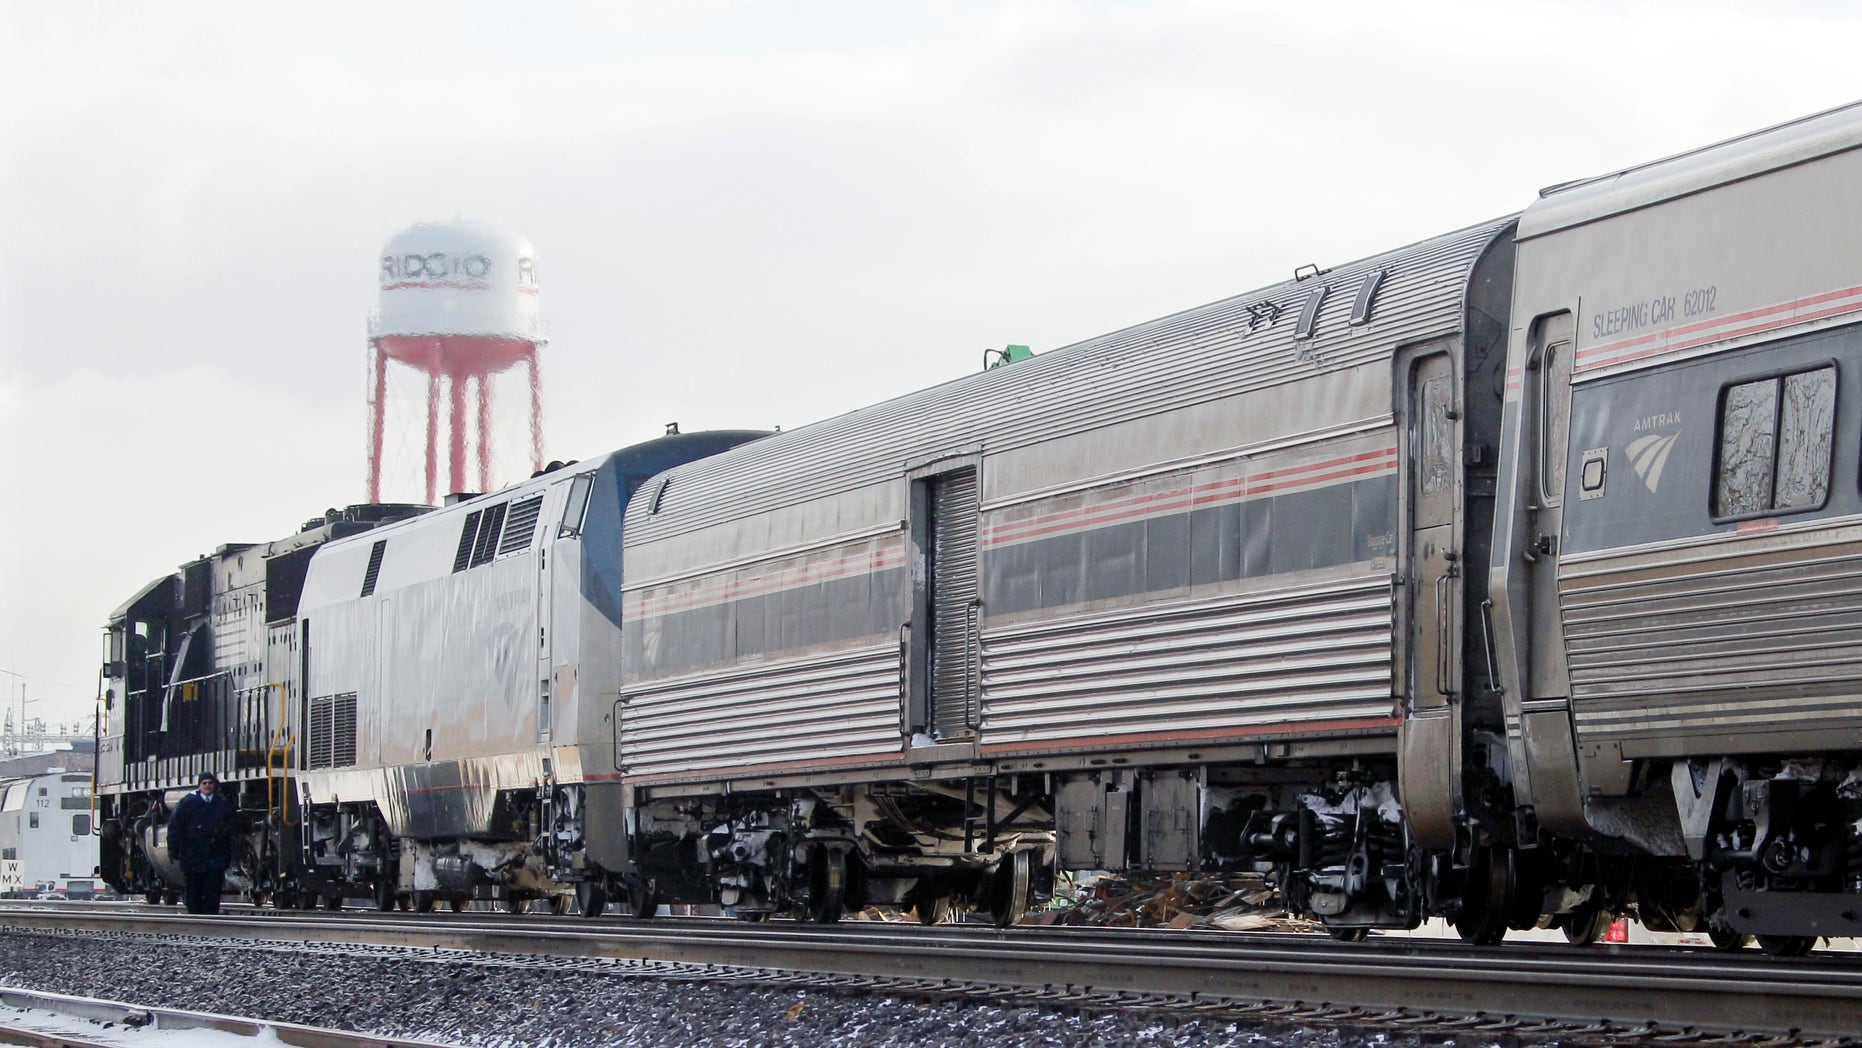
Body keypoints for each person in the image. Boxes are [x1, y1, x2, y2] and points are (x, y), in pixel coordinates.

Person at [167, 771, 236, 914]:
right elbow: (175, 827)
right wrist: (173, 849)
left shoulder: (222, 804)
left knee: (213, 891)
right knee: (193, 890)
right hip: (193, 855)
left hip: (215, 855)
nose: (208, 786)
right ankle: (195, 916)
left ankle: (210, 919)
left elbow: (232, 825)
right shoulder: (187, 803)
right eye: (204, 783)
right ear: (199, 786)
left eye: (210, 783)